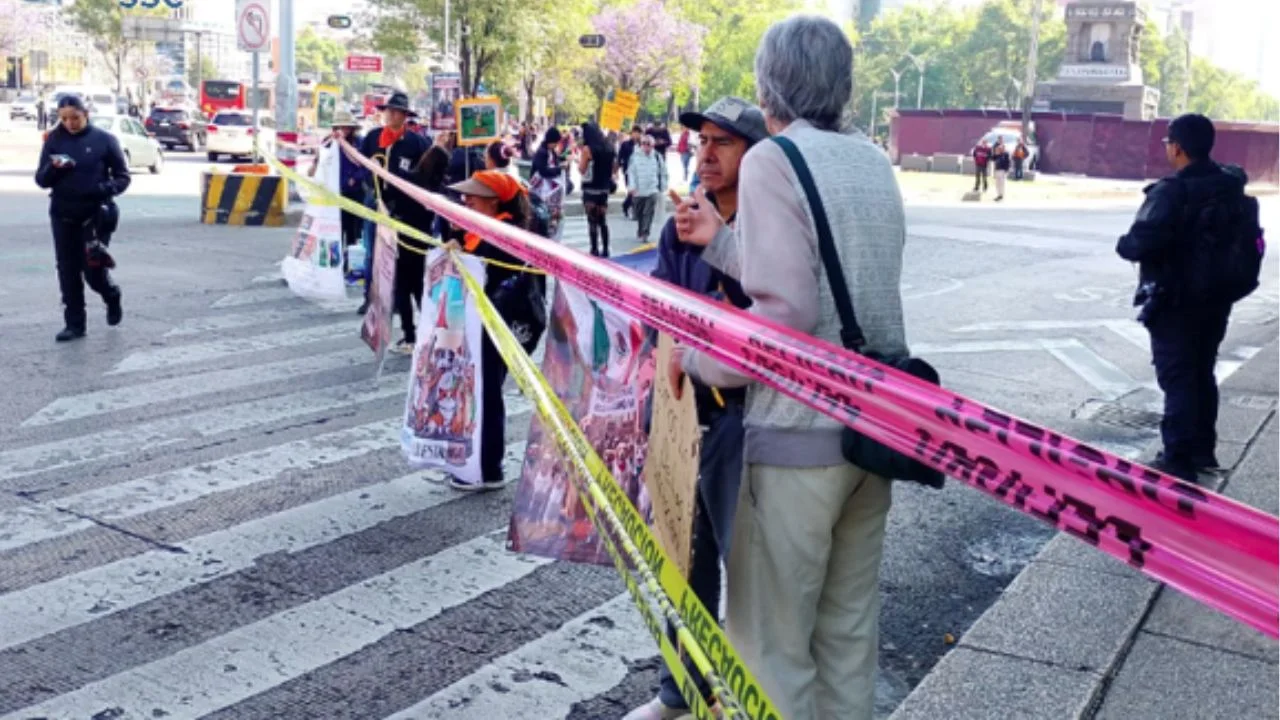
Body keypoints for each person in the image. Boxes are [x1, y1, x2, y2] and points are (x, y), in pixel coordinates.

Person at [672, 16, 904, 720]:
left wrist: (699, 360)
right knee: (846, 635)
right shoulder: (871, 158)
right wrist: (724, 244)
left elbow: (788, 312)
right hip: (873, 430)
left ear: (768, 83)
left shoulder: (774, 158)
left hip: (797, 437)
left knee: (771, 646)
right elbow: (832, 283)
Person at [624, 96, 766, 720]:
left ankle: (750, 695)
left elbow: (768, 317)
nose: (707, 153)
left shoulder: (766, 225)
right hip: (684, 407)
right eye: (703, 140)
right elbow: (663, 307)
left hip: (746, 416)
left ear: (755, 155)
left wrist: (723, 251)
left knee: (749, 568)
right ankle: (679, 690)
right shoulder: (681, 220)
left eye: (723, 142)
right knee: (683, 557)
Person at [1116, 113, 1261, 483]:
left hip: (1176, 301)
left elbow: (1138, 244)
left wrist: (1124, 244)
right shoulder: (1229, 186)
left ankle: (1177, 459)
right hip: (1218, 298)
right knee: (1201, 370)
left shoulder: (1172, 191)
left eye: (1169, 143)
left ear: (1178, 147)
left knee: (1178, 377)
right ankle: (1201, 449)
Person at [443, 170, 545, 491]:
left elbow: (486, 271)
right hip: (481, 323)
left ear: (493, 201)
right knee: (478, 390)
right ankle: (477, 461)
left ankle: (488, 469)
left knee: (486, 392)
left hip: (496, 324)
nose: (466, 200)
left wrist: (461, 252)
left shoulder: (504, 234)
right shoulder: (482, 229)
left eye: (473, 195)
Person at [35, 94, 130, 343]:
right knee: (67, 269)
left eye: (75, 118)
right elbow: (41, 180)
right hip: (62, 213)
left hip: (95, 215)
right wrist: (54, 168)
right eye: (64, 118)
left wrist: (103, 189)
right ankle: (74, 324)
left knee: (92, 270)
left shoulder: (105, 140)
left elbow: (123, 177)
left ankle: (111, 294)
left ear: (85, 114)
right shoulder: (54, 139)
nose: (70, 123)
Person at [356, 91, 432, 350]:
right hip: (381, 214)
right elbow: (360, 164)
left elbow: (426, 179)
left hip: (411, 219)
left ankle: (426, 331)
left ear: (404, 115)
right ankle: (407, 332)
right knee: (391, 274)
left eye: (396, 111)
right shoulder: (372, 138)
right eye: (387, 110)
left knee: (415, 278)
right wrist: (373, 186)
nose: (390, 115)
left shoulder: (417, 143)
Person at [309, 110, 365, 258]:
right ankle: (335, 260)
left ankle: (351, 261)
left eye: (346, 127)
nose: (343, 130)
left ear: (352, 128)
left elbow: (366, 166)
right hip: (334, 194)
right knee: (335, 229)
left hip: (355, 193)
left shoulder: (359, 143)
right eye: (340, 127)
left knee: (354, 232)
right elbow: (320, 163)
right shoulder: (328, 142)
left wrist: (355, 178)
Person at [578, 122, 616, 257]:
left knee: (592, 221)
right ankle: (606, 249)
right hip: (604, 189)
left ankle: (594, 250)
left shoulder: (587, 149)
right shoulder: (609, 147)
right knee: (603, 221)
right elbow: (614, 168)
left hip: (591, 188)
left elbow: (582, 169)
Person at [626, 133, 667, 243]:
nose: (645, 146)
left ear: (652, 145)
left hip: (652, 189)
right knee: (639, 213)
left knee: (648, 212)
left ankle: (645, 232)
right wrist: (632, 187)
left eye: (648, 144)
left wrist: (663, 186)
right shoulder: (635, 157)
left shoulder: (657, 157)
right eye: (643, 143)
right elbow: (631, 173)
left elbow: (663, 172)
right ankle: (640, 229)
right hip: (638, 191)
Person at [530, 126, 567, 239]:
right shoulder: (542, 152)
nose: (556, 145)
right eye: (555, 142)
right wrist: (559, 169)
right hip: (541, 190)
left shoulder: (550, 151)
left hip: (549, 189)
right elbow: (543, 171)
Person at [618, 126, 642, 218]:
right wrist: (617, 169)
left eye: (638, 133)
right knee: (632, 190)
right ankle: (629, 206)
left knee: (638, 190)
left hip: (640, 170)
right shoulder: (625, 144)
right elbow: (620, 156)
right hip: (628, 170)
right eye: (634, 133)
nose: (636, 135)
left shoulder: (642, 144)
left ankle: (628, 205)